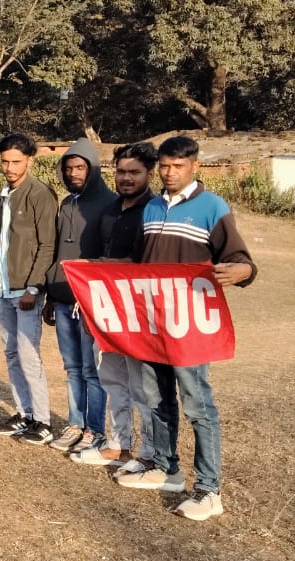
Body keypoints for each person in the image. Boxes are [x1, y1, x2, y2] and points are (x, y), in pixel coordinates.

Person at [115, 136, 258, 521]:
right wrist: (95, 272)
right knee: (156, 398)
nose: (169, 173)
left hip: (190, 326)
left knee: (198, 405)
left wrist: (244, 271)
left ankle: (209, 490)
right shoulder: (151, 207)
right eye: (164, 166)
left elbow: (241, 260)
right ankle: (167, 469)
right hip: (152, 324)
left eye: (178, 166)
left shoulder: (213, 207)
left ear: (195, 166)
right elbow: (139, 263)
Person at [71, 142, 157, 471]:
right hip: (107, 308)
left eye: (134, 172)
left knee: (141, 385)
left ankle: (148, 453)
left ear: (149, 174)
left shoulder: (155, 211)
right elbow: (97, 256)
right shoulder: (110, 209)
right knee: (111, 379)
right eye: (121, 171)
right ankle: (119, 445)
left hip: (139, 311)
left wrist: (100, 265)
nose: (126, 178)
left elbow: (146, 263)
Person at [43, 137, 116, 451]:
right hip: (62, 297)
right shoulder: (66, 203)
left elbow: (110, 257)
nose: (73, 173)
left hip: (90, 301)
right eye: (68, 168)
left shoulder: (110, 203)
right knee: (72, 367)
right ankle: (75, 424)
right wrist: (50, 294)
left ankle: (94, 429)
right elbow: (59, 250)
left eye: (79, 167)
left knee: (92, 369)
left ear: (93, 169)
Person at [0, 134, 57, 440]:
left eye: (16, 161)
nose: (10, 168)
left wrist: (34, 287)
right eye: (5, 161)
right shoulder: (3, 195)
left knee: (28, 355)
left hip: (26, 289)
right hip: (1, 287)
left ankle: (43, 421)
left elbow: (47, 245)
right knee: (12, 354)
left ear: (30, 160)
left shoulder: (40, 194)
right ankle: (23, 414)